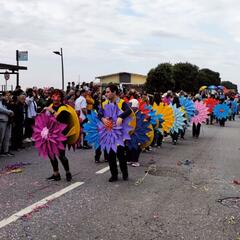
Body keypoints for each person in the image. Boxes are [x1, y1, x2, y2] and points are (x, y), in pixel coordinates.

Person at [98, 84, 132, 182]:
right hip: (109, 132)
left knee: (121, 154)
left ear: (114, 92)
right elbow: (99, 114)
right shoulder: (104, 103)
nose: (106, 94)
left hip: (120, 133)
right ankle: (114, 175)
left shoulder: (121, 102)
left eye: (108, 92)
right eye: (106, 92)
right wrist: (102, 118)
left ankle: (125, 173)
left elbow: (129, 111)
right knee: (110, 154)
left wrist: (121, 117)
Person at [44, 89, 73, 181]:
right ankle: (56, 173)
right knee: (51, 154)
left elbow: (62, 120)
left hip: (61, 135)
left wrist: (51, 111)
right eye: (53, 96)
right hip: (49, 134)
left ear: (61, 97)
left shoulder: (64, 108)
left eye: (57, 96)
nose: (55, 98)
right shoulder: (50, 106)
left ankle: (68, 172)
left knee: (61, 155)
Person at [0, 92, 14, 156]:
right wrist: (9, 112)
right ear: (2, 96)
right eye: (6, 95)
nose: (8, 97)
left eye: (9, 95)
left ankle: (6, 151)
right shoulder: (1, 101)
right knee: (1, 137)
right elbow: (1, 109)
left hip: (8, 121)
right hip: (2, 120)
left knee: (7, 137)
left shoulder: (7, 102)